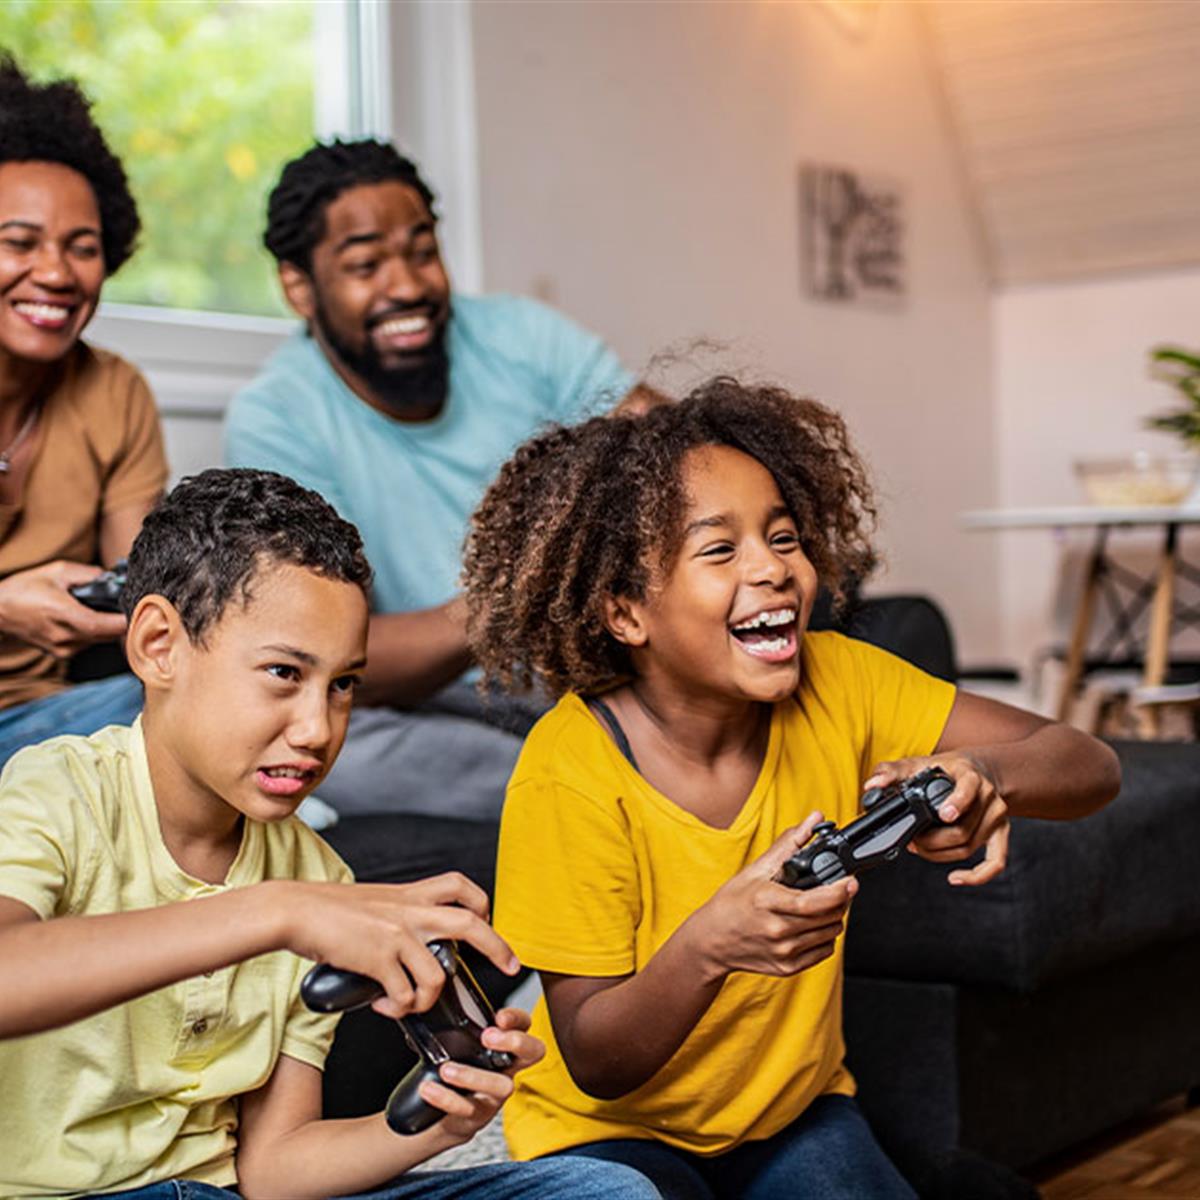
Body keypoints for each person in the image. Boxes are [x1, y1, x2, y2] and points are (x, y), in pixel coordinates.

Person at [461, 380, 1123, 1200]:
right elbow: (599, 1061)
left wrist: (989, 776)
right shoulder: (570, 770)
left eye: (783, 537)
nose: (773, 567)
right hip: (606, 1136)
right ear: (625, 610)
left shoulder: (840, 678)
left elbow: (1090, 762)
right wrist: (712, 947)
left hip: (794, 1116)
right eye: (719, 549)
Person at [0, 467, 659, 1200]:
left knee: (599, 1190)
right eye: (284, 672)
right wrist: (276, 912)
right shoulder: (56, 789)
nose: (318, 730)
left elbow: (274, 1169)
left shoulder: (315, 876)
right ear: (159, 645)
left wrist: (437, 1122)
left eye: (343, 685)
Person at [225, 138, 662, 823]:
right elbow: (331, 655)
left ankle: (605, 781)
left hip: (589, 665)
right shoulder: (276, 419)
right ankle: (605, 789)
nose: (407, 285)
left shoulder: (522, 335)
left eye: (422, 251)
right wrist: (520, 586)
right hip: (418, 710)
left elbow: (673, 452)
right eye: (365, 264)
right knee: (320, 746)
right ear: (299, 286)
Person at [0, 56, 168, 767]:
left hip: (45, 720)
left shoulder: (113, 391)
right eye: (19, 242)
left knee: (206, 698)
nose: (58, 274)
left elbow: (145, 592)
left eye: (83, 248)